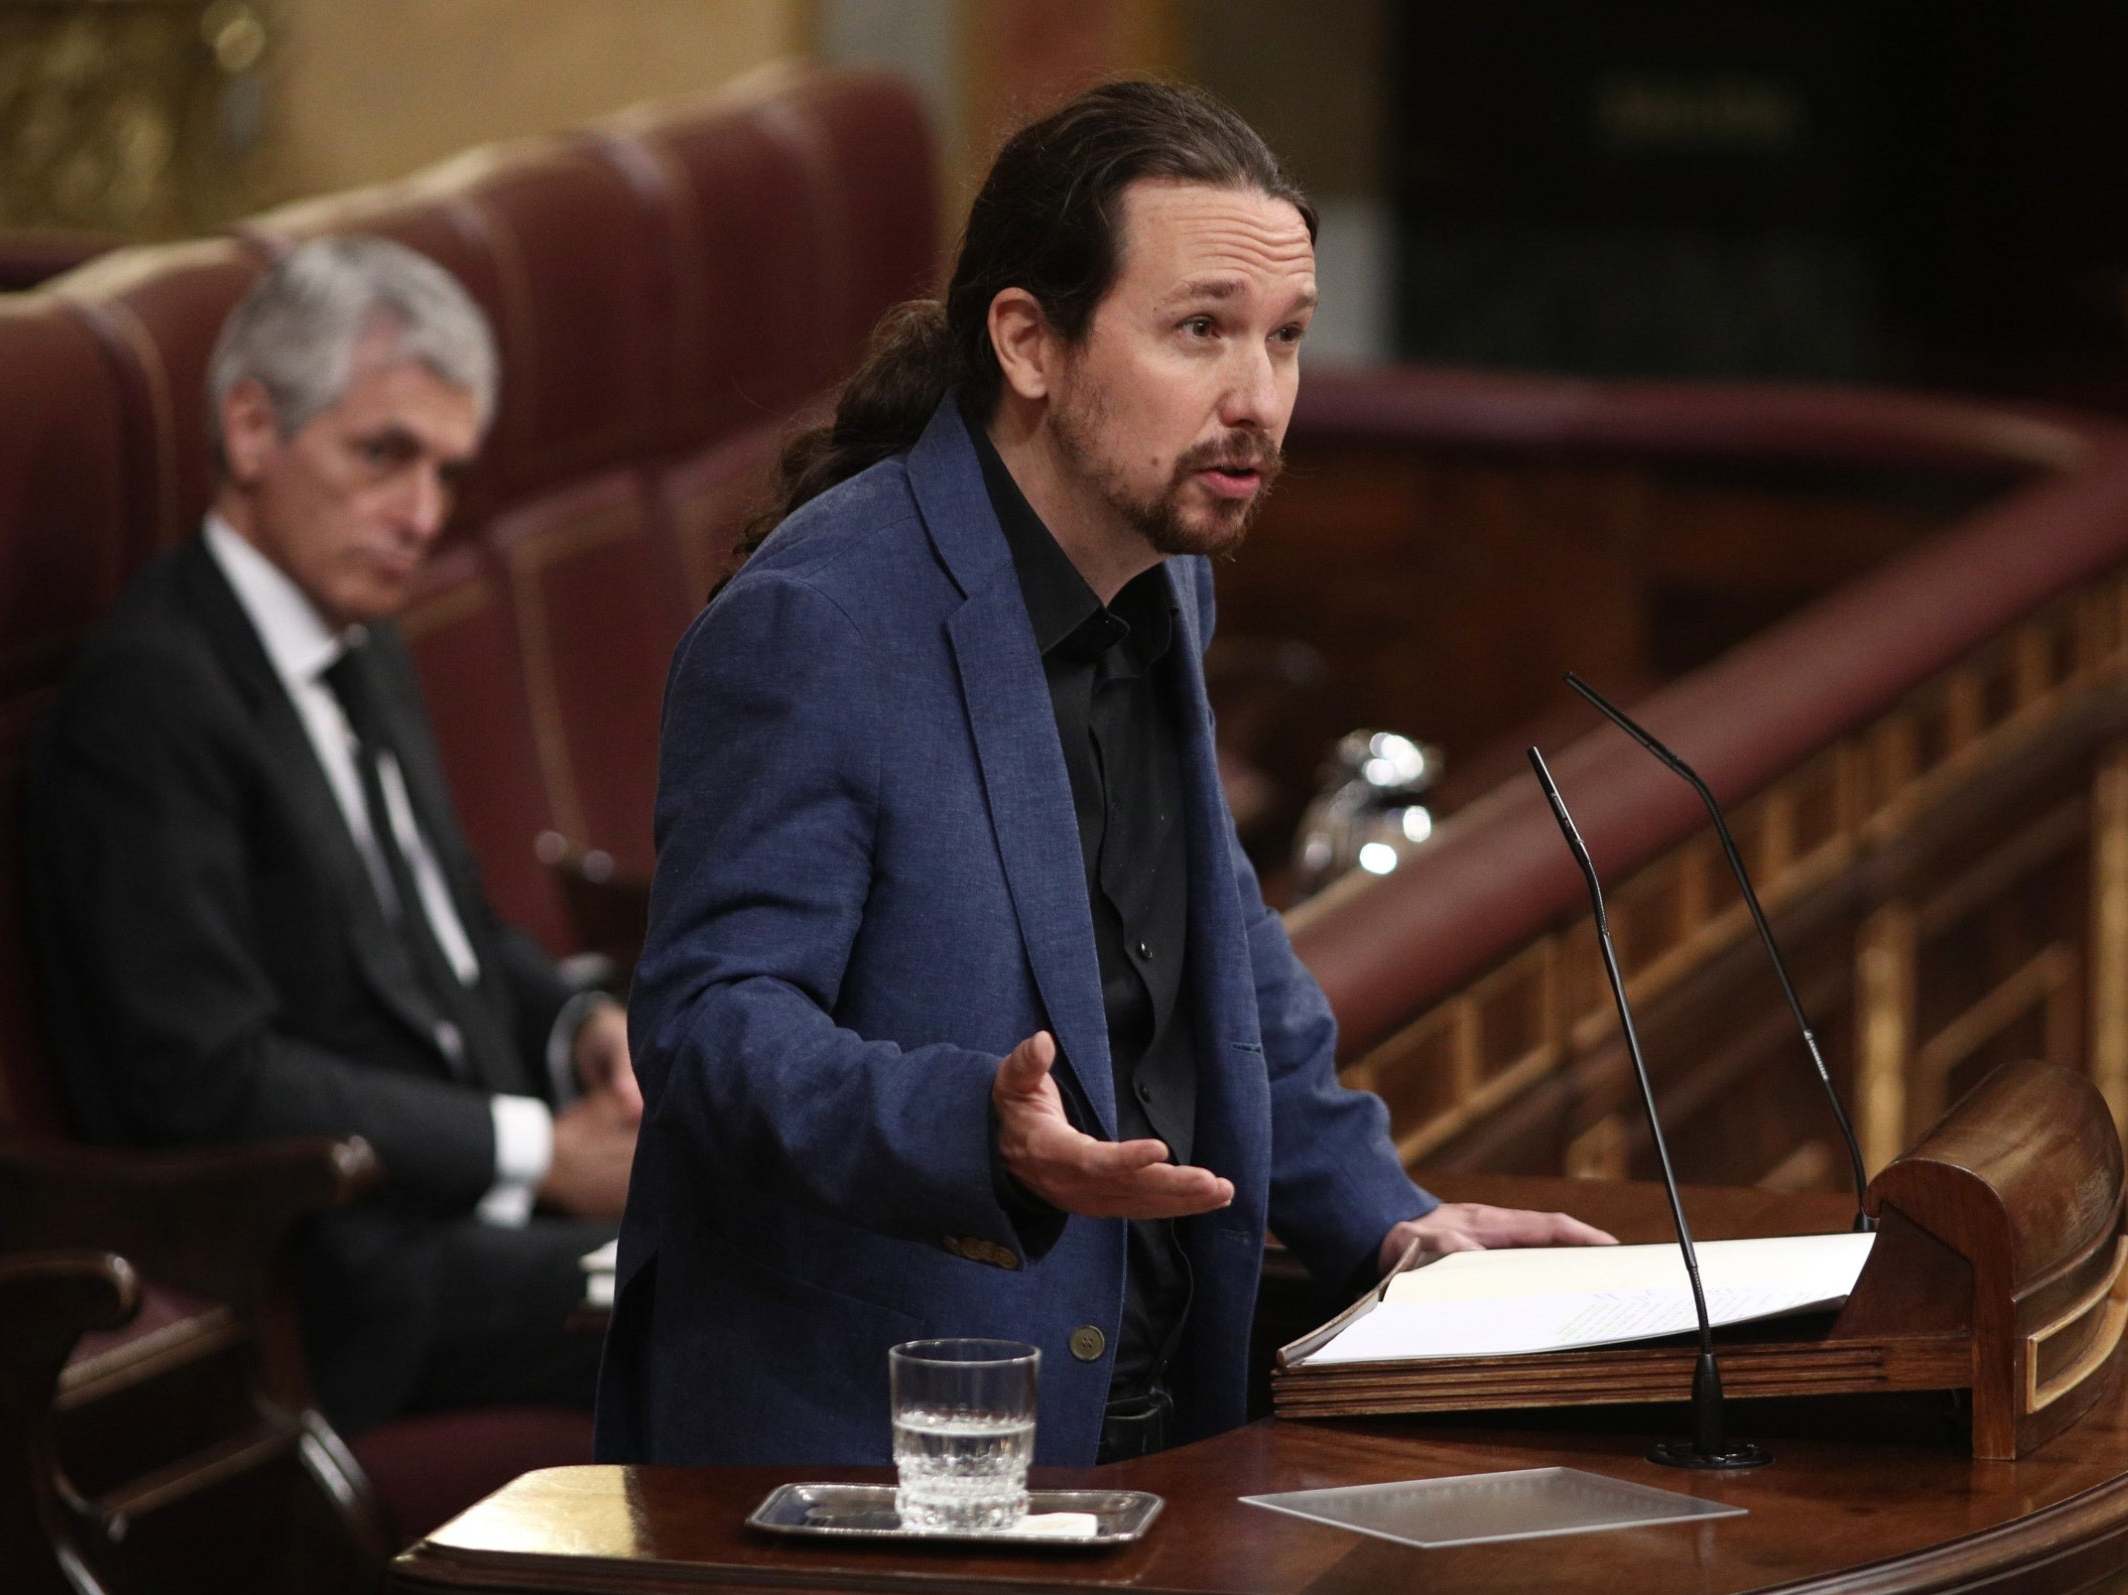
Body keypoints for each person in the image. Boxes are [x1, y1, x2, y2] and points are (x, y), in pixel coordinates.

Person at [599, 81, 1612, 1469]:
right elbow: (712, 1028)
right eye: (1202, 330)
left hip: (1148, 1423)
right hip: (868, 1452)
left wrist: (1385, 1212)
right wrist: (975, 1125)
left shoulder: (1164, 576)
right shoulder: (818, 624)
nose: (1258, 399)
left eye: (1288, 339)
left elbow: (1218, 953)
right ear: (1028, 340)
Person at [31, 236, 639, 1435]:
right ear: (253, 429)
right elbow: (207, 1075)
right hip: (348, 1273)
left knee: (822, 1232)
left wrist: (580, 1030)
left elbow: (454, 925)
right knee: (751, 1300)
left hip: (481, 1214)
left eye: (446, 474)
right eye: (384, 455)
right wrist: (537, 1150)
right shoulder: (152, 697)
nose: (422, 517)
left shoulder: (359, 641)